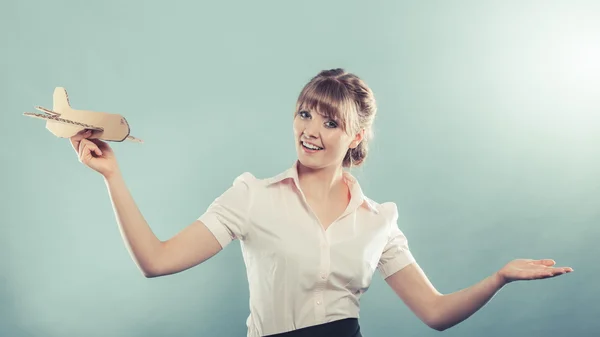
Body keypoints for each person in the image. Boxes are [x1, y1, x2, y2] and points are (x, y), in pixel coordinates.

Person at [69, 68, 573, 337]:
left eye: (330, 122)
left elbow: (435, 313)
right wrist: (112, 176)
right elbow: (156, 262)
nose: (310, 130)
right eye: (305, 113)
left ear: (355, 135)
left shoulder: (380, 221)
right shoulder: (252, 196)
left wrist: (499, 278)